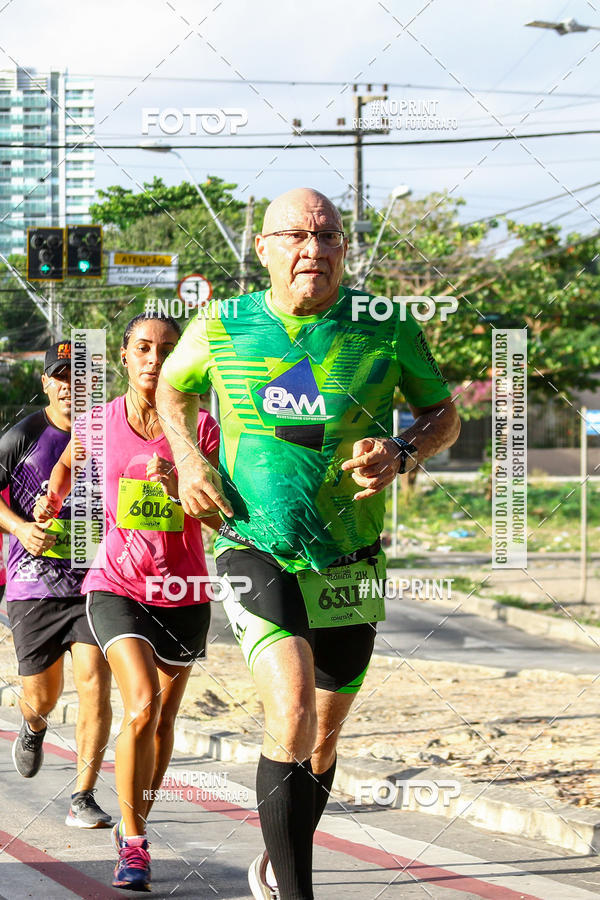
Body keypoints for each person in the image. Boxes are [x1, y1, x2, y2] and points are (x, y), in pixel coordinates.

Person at [156, 187, 460, 900]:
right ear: (262, 250)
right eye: (296, 236)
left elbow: (440, 412)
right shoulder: (222, 324)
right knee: (288, 709)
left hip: (349, 556)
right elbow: (174, 394)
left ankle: (280, 849)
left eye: (328, 238)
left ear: (344, 251)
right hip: (252, 540)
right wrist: (194, 461)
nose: (313, 250)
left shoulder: (384, 325)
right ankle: (297, 891)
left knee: (321, 736)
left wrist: (403, 449)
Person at [35, 313, 220, 893]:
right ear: (123, 356)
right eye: (142, 348)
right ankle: (135, 843)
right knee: (139, 704)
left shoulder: (205, 428)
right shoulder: (97, 423)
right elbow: (67, 463)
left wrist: (185, 489)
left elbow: (221, 513)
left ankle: (137, 817)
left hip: (184, 589)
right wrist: (52, 496)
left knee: (162, 720)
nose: (154, 359)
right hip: (116, 584)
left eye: (167, 349)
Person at [0, 341, 112, 828]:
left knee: (95, 686)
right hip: (34, 582)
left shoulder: (109, 433)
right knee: (42, 695)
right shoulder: (22, 435)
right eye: (61, 377)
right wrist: (21, 527)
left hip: (96, 578)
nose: (72, 387)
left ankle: (83, 796)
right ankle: (34, 724)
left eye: (82, 378)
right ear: (46, 383)